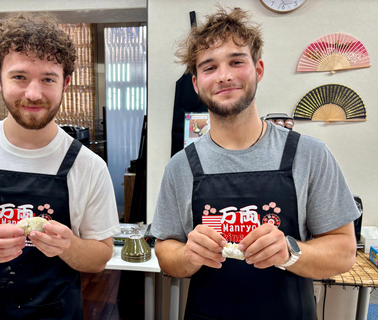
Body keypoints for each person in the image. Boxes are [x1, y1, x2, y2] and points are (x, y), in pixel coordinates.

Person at [150, 7, 360, 320]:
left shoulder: (309, 155)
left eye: (236, 61)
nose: (224, 75)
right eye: (209, 67)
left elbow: (343, 252)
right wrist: (187, 255)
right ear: (195, 83)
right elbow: (166, 251)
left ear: (258, 69)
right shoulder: (180, 167)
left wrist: (290, 252)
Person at [0, 12, 120, 320]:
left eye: (48, 79)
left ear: (65, 83)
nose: (34, 93)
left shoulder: (89, 166)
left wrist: (68, 246)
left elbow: (100, 257)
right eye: (19, 77)